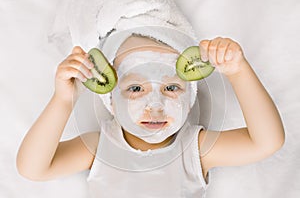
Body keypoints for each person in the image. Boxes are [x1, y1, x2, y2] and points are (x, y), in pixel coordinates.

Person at [16, 34, 285, 197]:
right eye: (135, 88)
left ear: (189, 100)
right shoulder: (100, 148)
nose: (154, 105)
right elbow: (32, 168)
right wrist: (63, 100)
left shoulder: (194, 149)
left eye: (170, 88)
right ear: (110, 99)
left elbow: (266, 142)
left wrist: (239, 72)